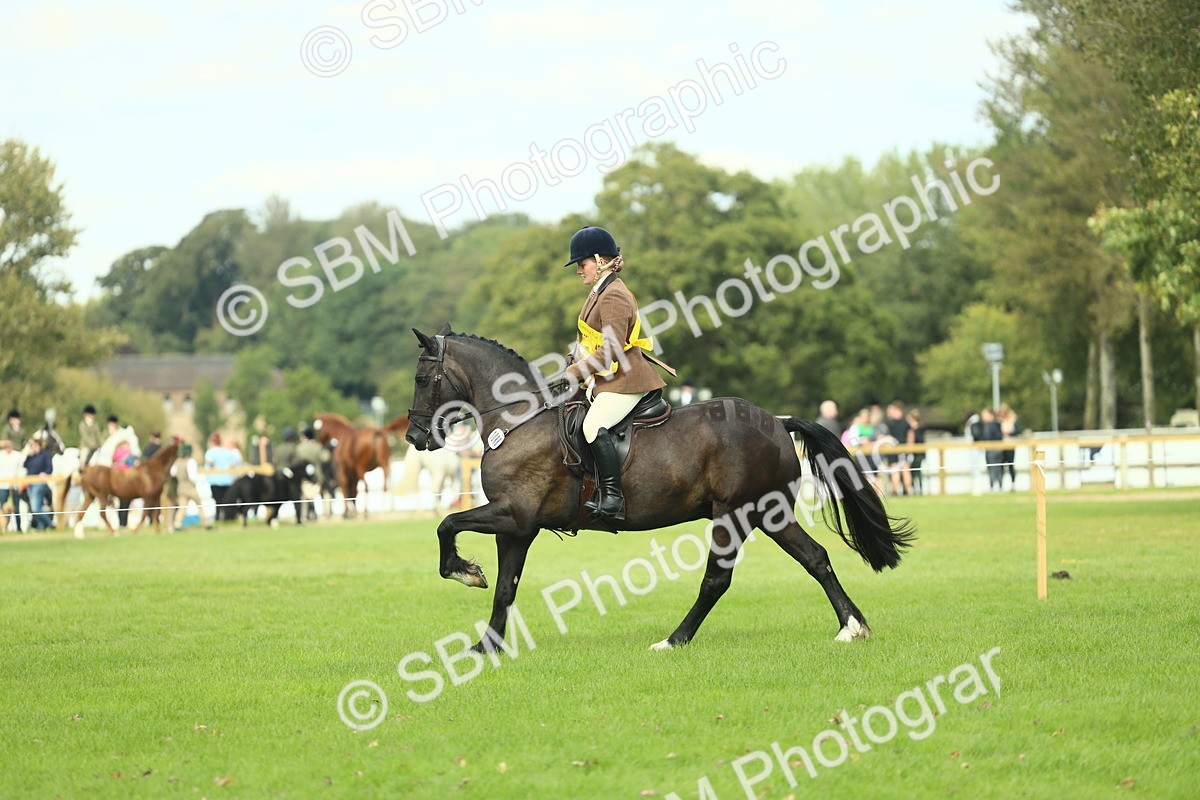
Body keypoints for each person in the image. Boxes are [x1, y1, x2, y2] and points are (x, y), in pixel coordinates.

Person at [562, 226, 674, 525]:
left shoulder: (614, 295)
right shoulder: (600, 292)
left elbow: (611, 349)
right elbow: (591, 343)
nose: (578, 271)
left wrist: (576, 371)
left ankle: (613, 497)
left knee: (592, 425)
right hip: (609, 377)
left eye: (581, 264)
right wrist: (571, 363)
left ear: (599, 261)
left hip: (626, 378)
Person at [168, 443, 211, 531]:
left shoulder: (178, 461)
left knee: (182, 507)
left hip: (181, 488)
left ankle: (177, 523)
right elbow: (192, 477)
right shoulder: (191, 461)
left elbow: (173, 473)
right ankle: (206, 523)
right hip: (190, 487)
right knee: (199, 505)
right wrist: (201, 479)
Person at [23, 437, 55, 530]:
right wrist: (28, 455)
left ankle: (51, 524)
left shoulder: (45, 454)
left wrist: (44, 473)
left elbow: (49, 468)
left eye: (33, 445)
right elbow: (25, 465)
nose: (32, 447)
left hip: (40, 483)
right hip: (30, 482)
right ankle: (41, 527)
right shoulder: (31, 455)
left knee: (35, 508)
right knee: (37, 506)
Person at [205, 433, 237, 522]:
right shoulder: (226, 451)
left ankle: (218, 518)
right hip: (227, 480)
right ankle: (228, 518)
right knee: (227, 500)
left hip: (215, 480)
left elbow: (209, 462)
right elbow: (235, 461)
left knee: (218, 501)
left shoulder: (210, 452)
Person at [0, 438, 24, 533]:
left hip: (14, 486)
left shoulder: (17, 455)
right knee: (3, 509)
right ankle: (4, 528)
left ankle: (19, 528)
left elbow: (21, 470)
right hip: (2, 486)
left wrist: (20, 484)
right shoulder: (1, 455)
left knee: (16, 508)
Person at [980, 408, 1005, 492]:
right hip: (995, 449)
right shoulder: (997, 424)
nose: (982, 417)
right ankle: (997, 487)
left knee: (994, 468)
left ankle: (994, 487)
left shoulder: (991, 425)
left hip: (993, 449)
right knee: (996, 468)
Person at [998, 404, 1022, 491]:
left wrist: (1009, 433)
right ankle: (1001, 485)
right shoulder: (999, 421)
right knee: (1001, 465)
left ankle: (1013, 484)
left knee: (1011, 465)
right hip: (1001, 445)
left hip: (1010, 445)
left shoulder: (1013, 420)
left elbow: (1018, 431)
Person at [906, 408, 926, 495]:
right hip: (919, 453)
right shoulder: (921, 428)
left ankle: (918, 490)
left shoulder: (914, 430)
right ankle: (918, 490)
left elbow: (912, 442)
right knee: (917, 471)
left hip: (917, 454)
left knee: (915, 471)